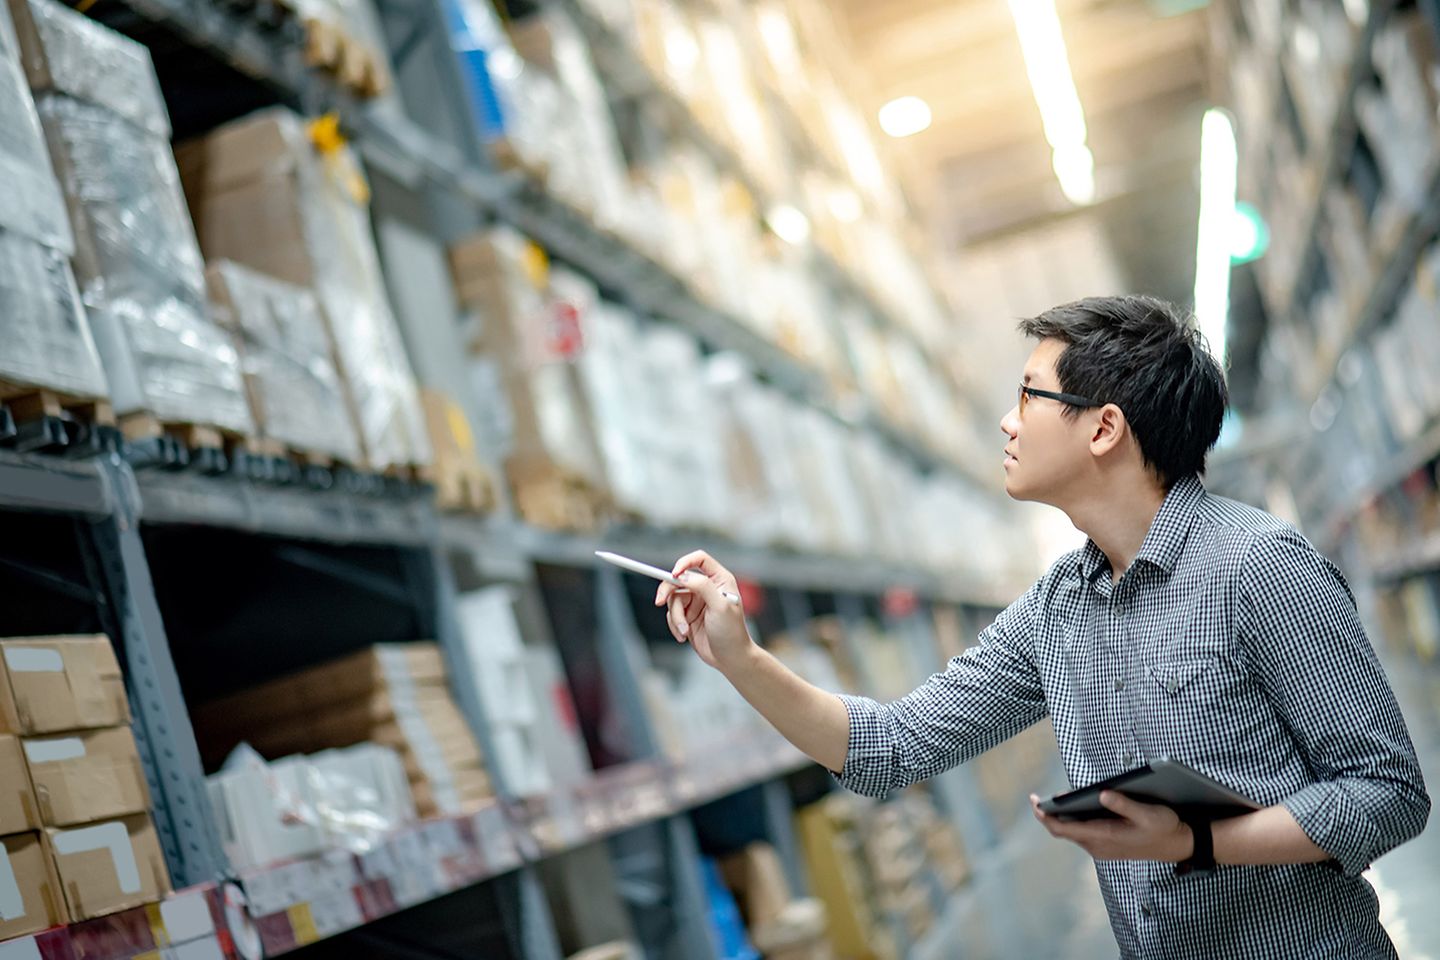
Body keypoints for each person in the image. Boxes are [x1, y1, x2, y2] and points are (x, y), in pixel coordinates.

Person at [654, 295, 1430, 960]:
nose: (1006, 421)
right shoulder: (1057, 608)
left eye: (1029, 395)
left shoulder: (1259, 567)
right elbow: (891, 748)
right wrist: (741, 657)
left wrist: (1199, 843)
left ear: (1104, 429)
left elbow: (1389, 791)